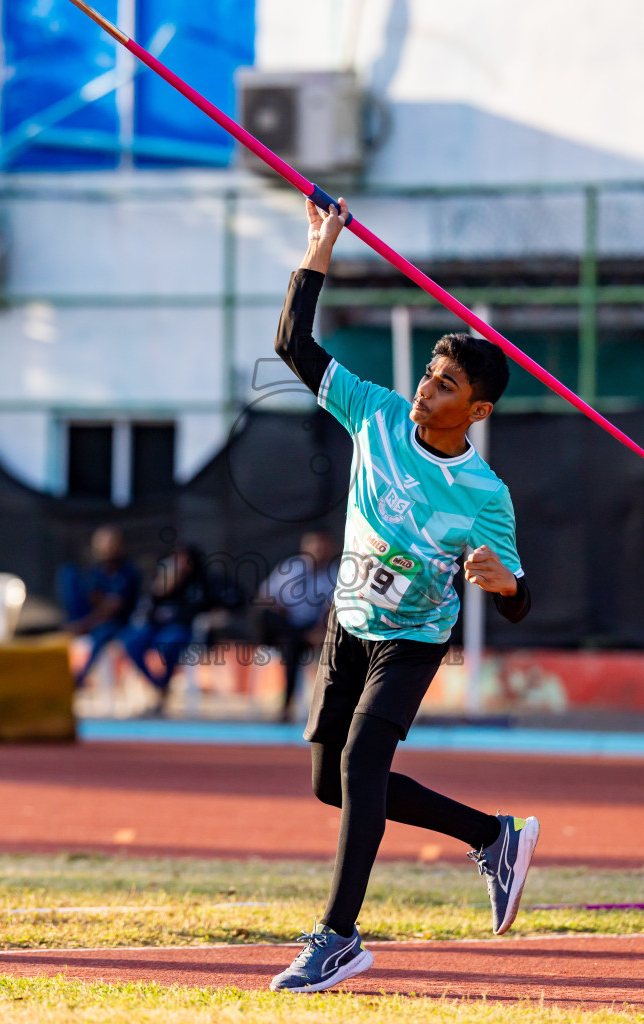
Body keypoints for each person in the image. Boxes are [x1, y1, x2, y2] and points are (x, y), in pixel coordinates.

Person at [268, 198, 538, 994]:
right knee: (332, 782)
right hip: (349, 623)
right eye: (427, 374)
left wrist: (507, 585)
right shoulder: (376, 413)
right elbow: (292, 345)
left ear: (476, 411)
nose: (424, 390)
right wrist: (320, 249)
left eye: (445, 385)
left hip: (414, 639)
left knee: (361, 761)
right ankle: (491, 834)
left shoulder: (485, 493)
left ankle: (336, 939)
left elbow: (516, 597)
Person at [119, 544, 214, 712]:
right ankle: (157, 684)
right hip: (154, 628)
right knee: (131, 642)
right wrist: (163, 589)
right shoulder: (161, 578)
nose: (178, 564)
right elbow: (147, 609)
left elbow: (195, 611)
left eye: (183, 560)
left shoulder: (197, 583)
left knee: (170, 643)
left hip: (178, 629)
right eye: (175, 559)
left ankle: (165, 682)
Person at [257, 530, 338, 722]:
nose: (317, 551)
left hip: (311, 631)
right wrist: (279, 609)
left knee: (292, 646)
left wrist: (321, 631)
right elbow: (265, 597)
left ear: (330, 549)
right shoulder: (290, 568)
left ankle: (290, 706)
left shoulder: (335, 575)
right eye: (313, 546)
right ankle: (298, 637)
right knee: (267, 617)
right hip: (283, 627)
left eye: (321, 547)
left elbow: (333, 611)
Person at [59, 525, 141, 687]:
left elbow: (112, 608)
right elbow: (94, 600)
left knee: (102, 632)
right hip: (91, 618)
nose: (105, 547)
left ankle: (80, 677)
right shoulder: (95, 572)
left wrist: (84, 625)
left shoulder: (128, 572)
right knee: (68, 573)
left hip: (119, 624)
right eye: (100, 543)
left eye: (109, 543)